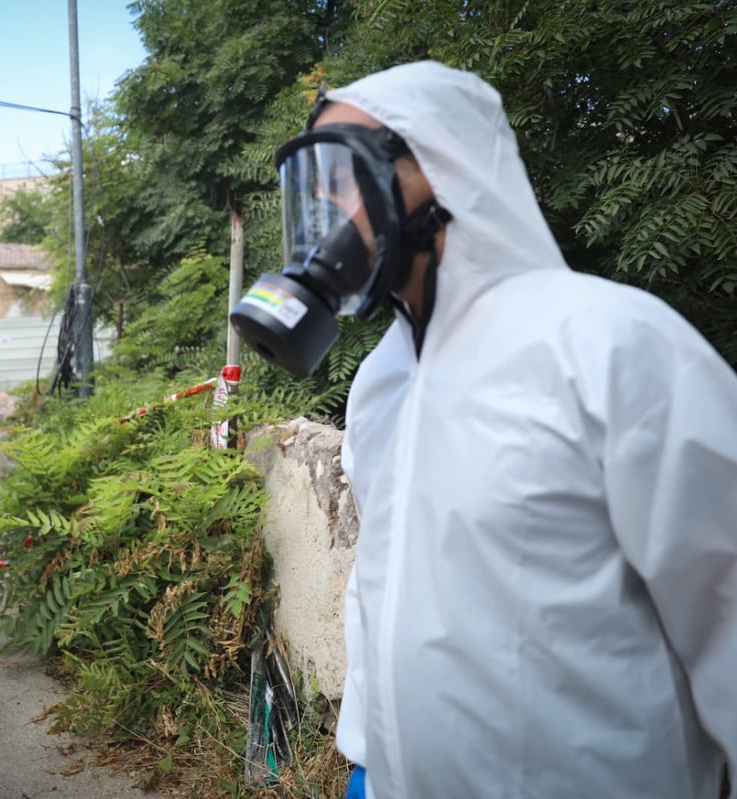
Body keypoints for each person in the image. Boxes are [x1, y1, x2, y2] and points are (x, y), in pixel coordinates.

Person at [232, 61, 737, 797]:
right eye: (313, 186)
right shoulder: (383, 379)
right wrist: (369, 759)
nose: (324, 208)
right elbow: (384, 587)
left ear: (443, 168)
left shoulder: (609, 345)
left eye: (342, 174)